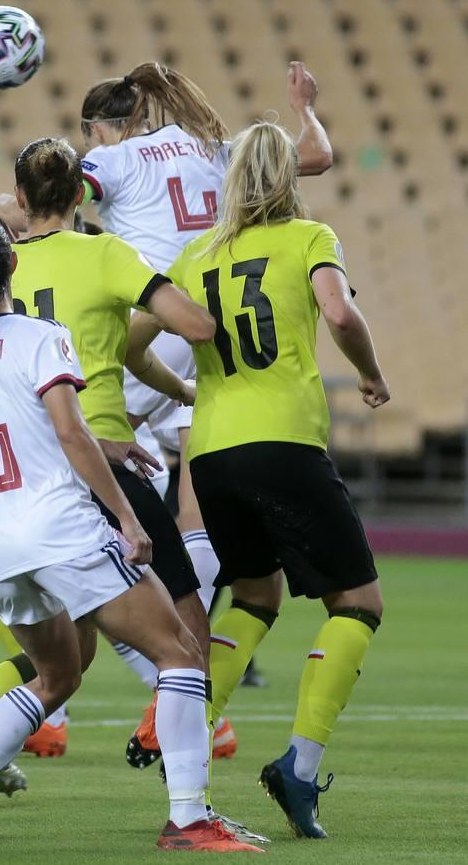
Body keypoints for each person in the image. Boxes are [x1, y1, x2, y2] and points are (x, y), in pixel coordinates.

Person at [0, 138, 266, 845]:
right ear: (11, 265)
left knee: (56, 676)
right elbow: (71, 434)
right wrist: (125, 515)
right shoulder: (42, 336)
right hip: (60, 526)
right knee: (181, 653)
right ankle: (188, 817)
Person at [76, 60, 331, 767]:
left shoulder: (112, 157)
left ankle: (171, 679)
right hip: (205, 324)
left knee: (89, 513)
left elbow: (60, 193)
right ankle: (188, 682)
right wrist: (303, 107)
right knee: (191, 512)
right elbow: (315, 156)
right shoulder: (208, 148)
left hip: (145, 326)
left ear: (103, 125)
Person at [164, 120, 388, 839]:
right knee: (357, 604)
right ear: (290, 179)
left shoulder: (196, 252)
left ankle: (180, 725)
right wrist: (370, 374)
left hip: (210, 453)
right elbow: (340, 312)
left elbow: (136, 338)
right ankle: (298, 764)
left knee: (256, 594)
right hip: (283, 442)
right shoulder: (308, 237)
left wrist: (174, 388)